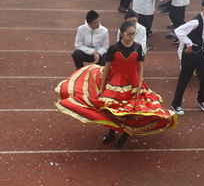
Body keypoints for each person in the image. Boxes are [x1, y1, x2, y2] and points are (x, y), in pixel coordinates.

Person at [56, 21, 177, 149]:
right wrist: (102, 88)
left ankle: (125, 134)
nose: (132, 37)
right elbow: (107, 68)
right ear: (121, 34)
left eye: (133, 34)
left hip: (134, 83)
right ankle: (111, 131)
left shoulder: (137, 47)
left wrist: (140, 85)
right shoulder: (113, 48)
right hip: (115, 83)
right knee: (112, 109)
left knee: (129, 112)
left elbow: (140, 68)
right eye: (129, 34)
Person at [171, 0, 204, 115]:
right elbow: (178, 31)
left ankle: (201, 100)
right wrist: (189, 43)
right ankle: (175, 104)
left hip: (201, 53)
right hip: (190, 54)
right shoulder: (196, 21)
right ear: (203, 7)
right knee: (184, 79)